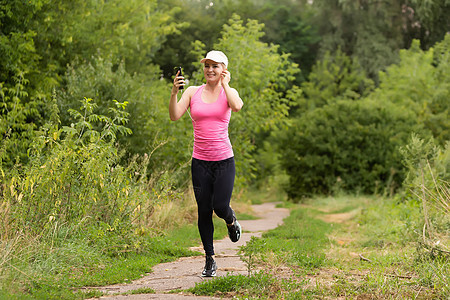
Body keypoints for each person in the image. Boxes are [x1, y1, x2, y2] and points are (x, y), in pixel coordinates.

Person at [169, 50, 244, 277]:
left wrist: (226, 85)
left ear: (223, 70)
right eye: (207, 66)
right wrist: (174, 92)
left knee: (220, 206)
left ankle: (231, 221)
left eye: (215, 66)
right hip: (200, 162)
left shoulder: (228, 93)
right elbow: (174, 115)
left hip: (224, 161)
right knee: (204, 211)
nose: (210, 70)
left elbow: (237, 106)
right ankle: (209, 259)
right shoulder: (192, 92)